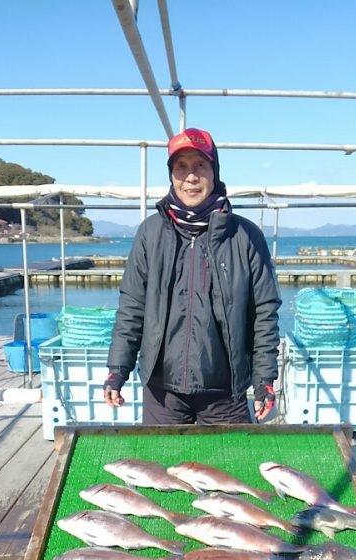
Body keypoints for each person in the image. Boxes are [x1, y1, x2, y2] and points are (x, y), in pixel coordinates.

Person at [103, 127, 281, 425]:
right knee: (162, 468)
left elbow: (265, 311)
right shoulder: (150, 232)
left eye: (200, 165)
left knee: (233, 468)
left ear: (214, 171)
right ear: (171, 175)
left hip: (227, 390)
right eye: (181, 167)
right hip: (162, 391)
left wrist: (264, 377)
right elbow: (132, 306)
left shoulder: (246, 235)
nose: (191, 177)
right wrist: (117, 369)